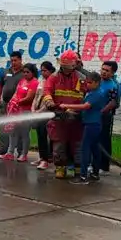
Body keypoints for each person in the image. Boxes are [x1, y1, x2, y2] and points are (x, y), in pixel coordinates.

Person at [42, 50, 86, 179]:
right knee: (59, 145)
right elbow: (47, 91)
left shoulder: (81, 78)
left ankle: (79, 169)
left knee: (77, 145)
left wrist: (77, 110)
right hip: (59, 117)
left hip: (76, 118)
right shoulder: (54, 77)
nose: (66, 68)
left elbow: (85, 96)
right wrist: (49, 101)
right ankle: (60, 168)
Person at [56, 70, 107, 183]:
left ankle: (83, 176)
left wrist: (66, 105)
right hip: (93, 124)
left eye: (89, 83)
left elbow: (86, 106)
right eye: (86, 82)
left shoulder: (96, 93)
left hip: (92, 125)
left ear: (96, 82)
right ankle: (95, 173)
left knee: (85, 149)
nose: (87, 85)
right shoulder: (94, 92)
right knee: (95, 149)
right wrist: (73, 110)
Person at [3, 63, 39, 162]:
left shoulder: (34, 82)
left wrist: (17, 102)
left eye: (28, 72)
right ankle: (10, 152)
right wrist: (12, 101)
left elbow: (29, 98)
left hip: (26, 111)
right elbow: (16, 93)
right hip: (16, 110)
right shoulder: (22, 81)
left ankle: (24, 154)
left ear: (33, 73)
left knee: (24, 133)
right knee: (13, 131)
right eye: (24, 72)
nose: (25, 74)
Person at [0, 51, 25, 157]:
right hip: (6, 104)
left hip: (18, 105)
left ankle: (21, 152)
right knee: (3, 128)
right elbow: (0, 85)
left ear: (20, 60)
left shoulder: (25, 72)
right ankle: (3, 150)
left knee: (19, 128)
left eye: (15, 60)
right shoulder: (6, 71)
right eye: (11, 60)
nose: (13, 62)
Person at [94, 61, 120, 174]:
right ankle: (94, 163)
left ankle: (104, 166)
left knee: (103, 140)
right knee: (93, 140)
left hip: (104, 116)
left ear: (113, 72)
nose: (103, 72)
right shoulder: (97, 81)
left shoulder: (113, 85)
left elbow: (113, 103)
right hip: (93, 115)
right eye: (102, 69)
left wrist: (102, 111)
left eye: (107, 70)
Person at [31, 61, 56, 170]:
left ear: (50, 71)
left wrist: (40, 111)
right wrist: (33, 108)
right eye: (41, 70)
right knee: (39, 136)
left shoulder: (52, 82)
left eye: (45, 70)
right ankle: (41, 157)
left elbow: (49, 99)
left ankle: (46, 160)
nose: (42, 72)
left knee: (44, 136)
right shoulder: (41, 82)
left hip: (46, 113)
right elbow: (36, 96)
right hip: (37, 112)